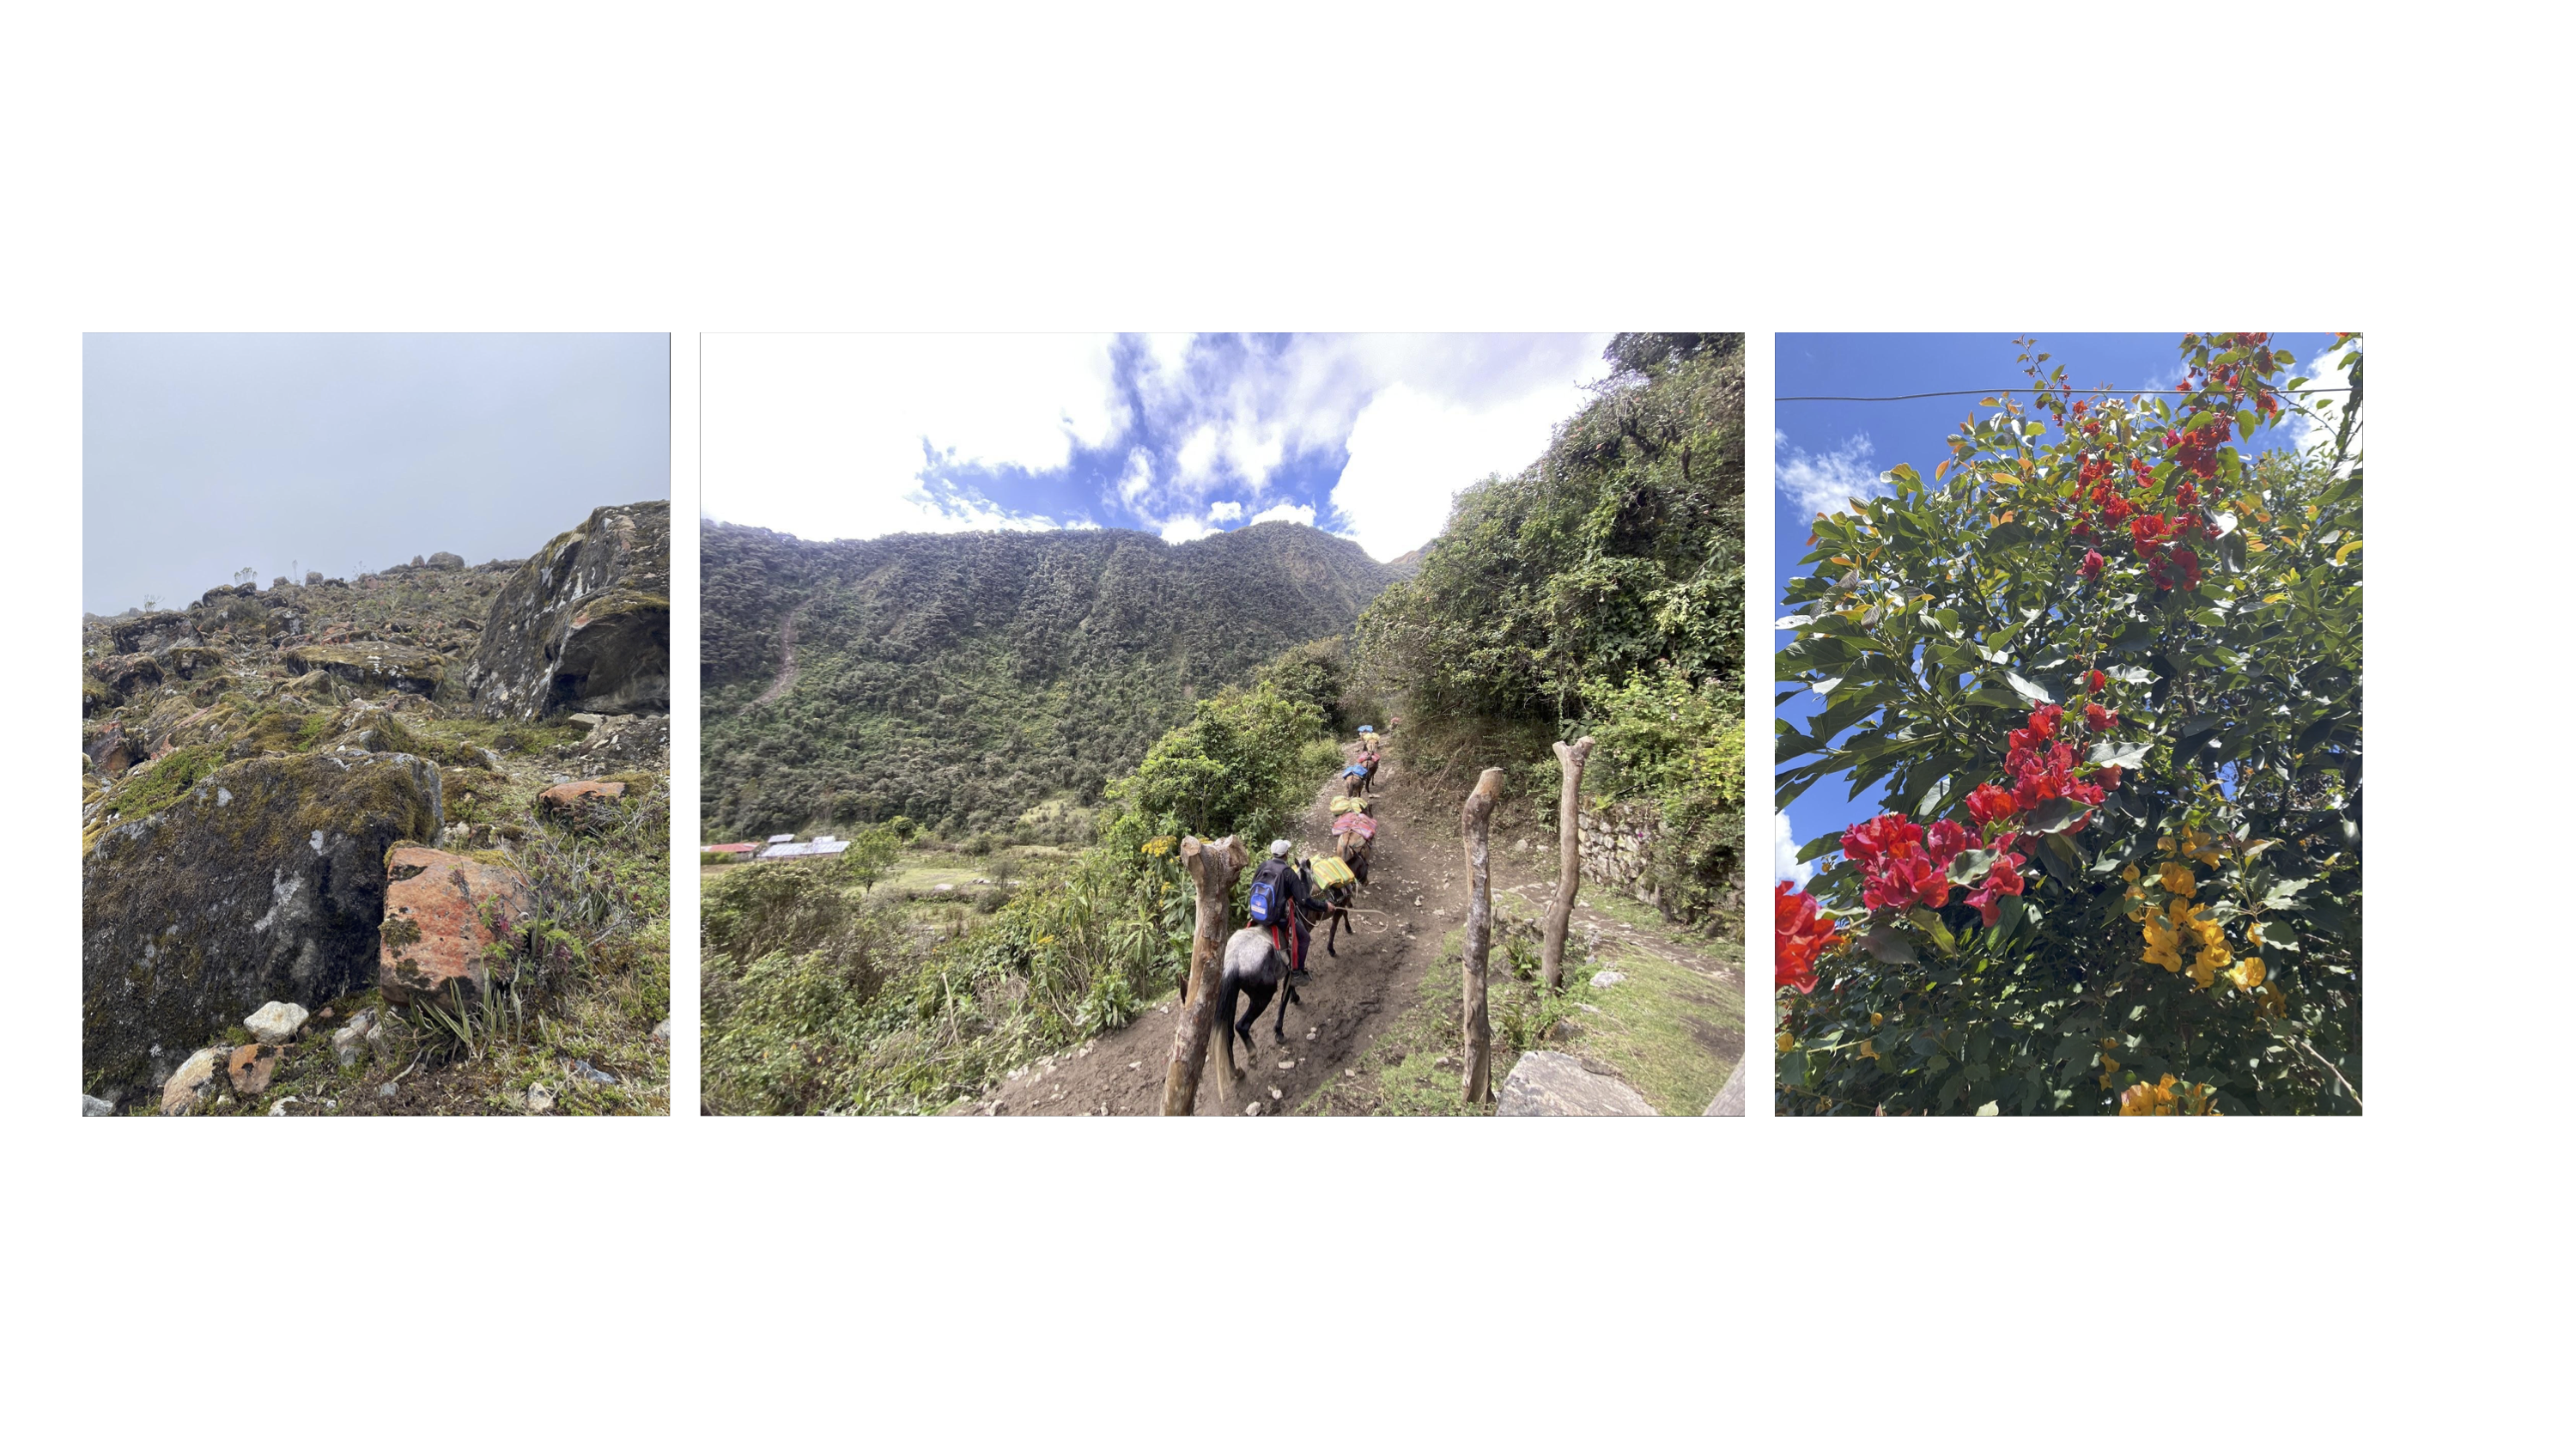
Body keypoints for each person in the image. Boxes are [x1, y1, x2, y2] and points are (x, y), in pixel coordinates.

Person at [1249, 837, 1317, 978]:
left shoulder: (1263, 866)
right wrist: (1324, 906)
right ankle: (1298, 973)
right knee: (1305, 938)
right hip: (1277, 919)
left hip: (1257, 913)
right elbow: (1304, 899)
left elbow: (1253, 886)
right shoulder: (1288, 873)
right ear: (1286, 854)